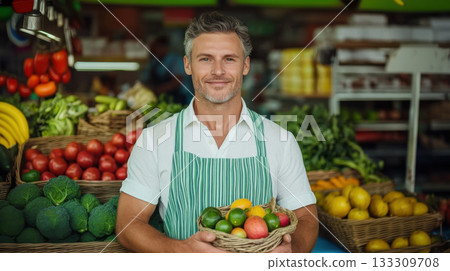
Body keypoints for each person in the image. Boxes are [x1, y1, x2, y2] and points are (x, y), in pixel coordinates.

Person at [116, 11, 318, 253]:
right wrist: (183, 252)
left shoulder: (280, 140)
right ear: (188, 65)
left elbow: (307, 218)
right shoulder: (155, 140)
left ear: (245, 65)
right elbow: (128, 224)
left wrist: (291, 252)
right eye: (206, 59)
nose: (218, 71)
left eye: (229, 59)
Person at [139, 35, 192, 105]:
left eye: (155, 47)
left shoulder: (175, 60)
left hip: (180, 98)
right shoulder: (155, 62)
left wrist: (158, 90)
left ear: (163, 47)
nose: (152, 49)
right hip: (164, 100)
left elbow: (178, 80)